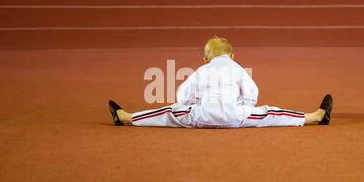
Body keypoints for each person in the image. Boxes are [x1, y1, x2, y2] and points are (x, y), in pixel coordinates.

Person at [108, 36, 332, 128]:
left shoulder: (201, 69)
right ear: (232, 56)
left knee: (169, 112)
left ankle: (126, 117)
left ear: (205, 58)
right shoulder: (237, 68)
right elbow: (253, 93)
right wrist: (244, 107)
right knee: (270, 112)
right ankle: (314, 116)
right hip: (235, 117)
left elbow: (182, 97)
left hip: (202, 116)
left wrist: (193, 105)